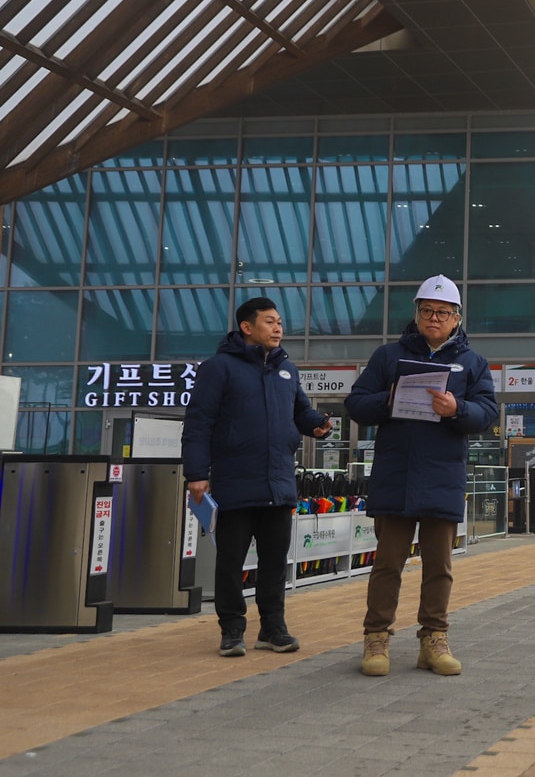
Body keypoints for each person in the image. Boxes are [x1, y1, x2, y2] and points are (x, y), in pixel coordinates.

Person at [346, 275, 498, 677]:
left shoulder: (472, 363)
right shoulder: (388, 357)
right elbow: (356, 405)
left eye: (443, 312)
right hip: (395, 475)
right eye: (427, 311)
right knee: (387, 564)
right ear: (416, 314)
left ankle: (434, 638)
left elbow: (488, 414)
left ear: (457, 318)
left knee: (439, 566)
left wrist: (457, 409)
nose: (434, 318)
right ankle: (376, 639)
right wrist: (388, 398)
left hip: (442, 476)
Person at [183, 296, 332, 657]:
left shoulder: (287, 369)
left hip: (279, 481)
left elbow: (300, 411)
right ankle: (232, 629)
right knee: (231, 562)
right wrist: (197, 473)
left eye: (279, 322)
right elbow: (199, 423)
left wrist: (318, 427)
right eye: (269, 321)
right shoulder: (218, 368)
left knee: (274, 561)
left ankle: (272, 628)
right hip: (236, 481)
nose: (278, 328)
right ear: (247, 327)